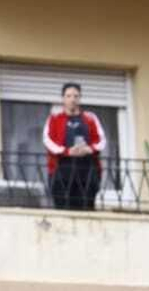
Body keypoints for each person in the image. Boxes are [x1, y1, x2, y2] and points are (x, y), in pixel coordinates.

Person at [43, 82, 105, 210]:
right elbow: (47, 140)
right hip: (61, 171)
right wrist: (67, 151)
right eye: (68, 96)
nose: (72, 99)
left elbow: (101, 140)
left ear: (80, 98)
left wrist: (90, 149)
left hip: (87, 171)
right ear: (63, 98)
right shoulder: (54, 118)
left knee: (86, 209)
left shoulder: (90, 118)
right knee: (62, 209)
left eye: (76, 96)